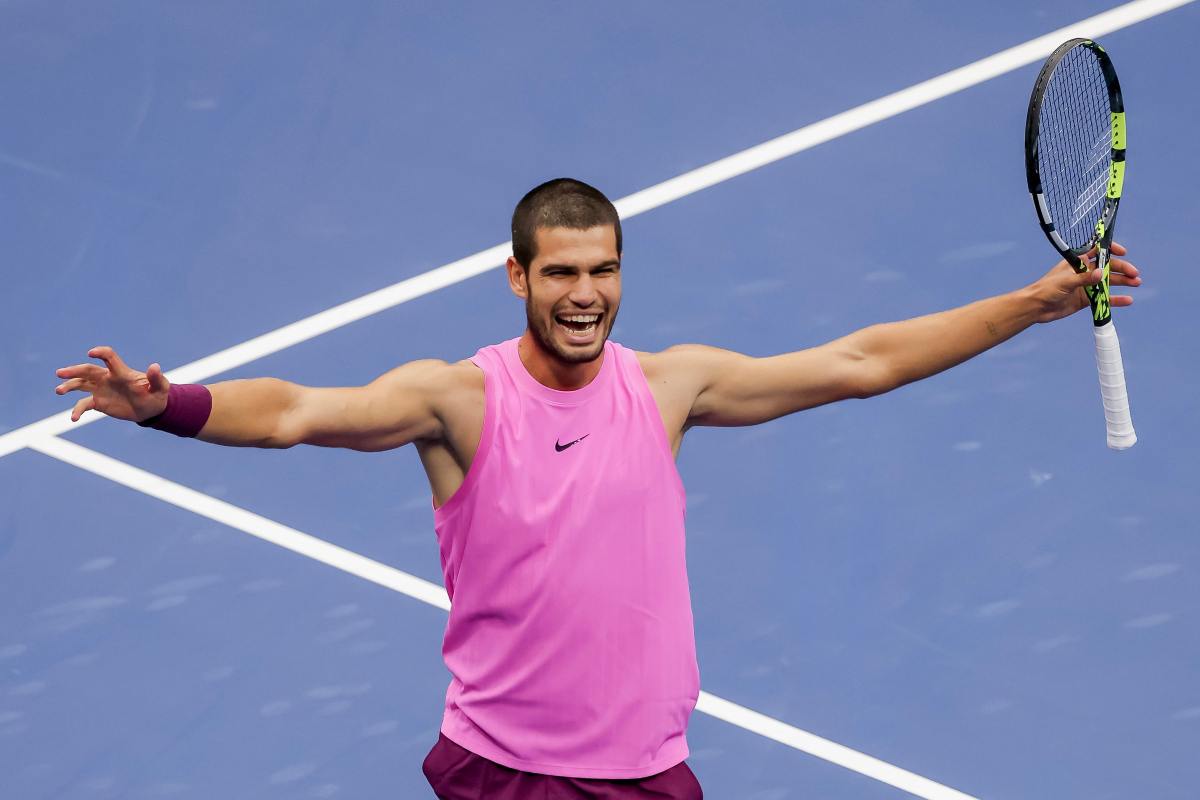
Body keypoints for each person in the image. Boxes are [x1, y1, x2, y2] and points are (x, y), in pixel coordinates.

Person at [53, 178, 1141, 799]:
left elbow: (864, 362)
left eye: (604, 270)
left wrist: (1030, 304)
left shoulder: (669, 387)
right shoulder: (455, 400)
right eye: (562, 272)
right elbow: (297, 411)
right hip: (510, 773)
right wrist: (169, 405)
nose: (586, 294)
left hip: (651, 771)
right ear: (519, 275)